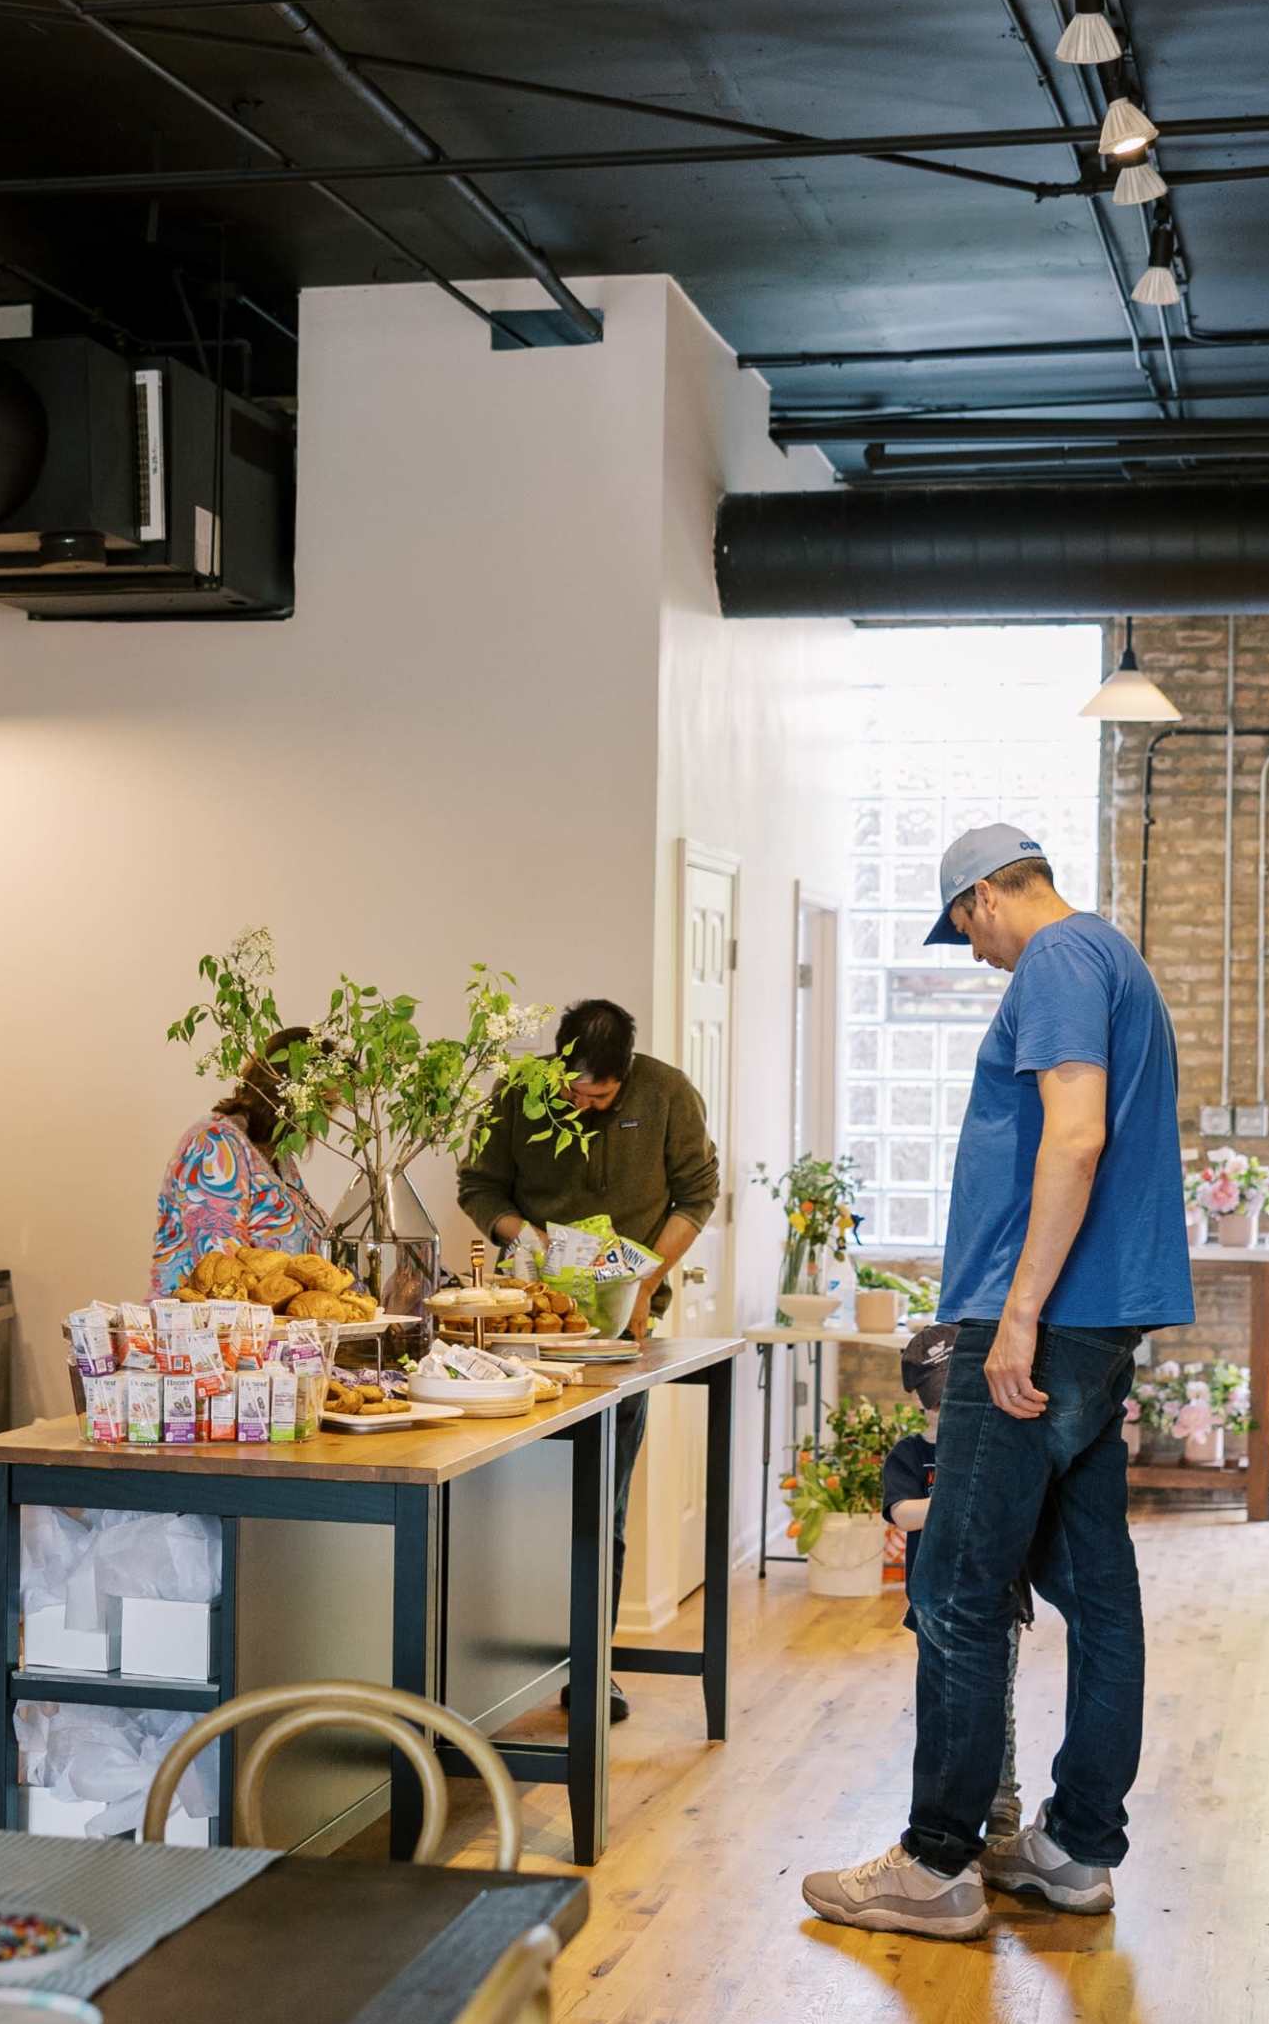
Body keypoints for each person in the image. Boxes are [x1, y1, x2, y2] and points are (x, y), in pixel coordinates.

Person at [804, 826, 1190, 1940]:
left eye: (964, 930)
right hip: (1096, 1321)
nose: (975, 957)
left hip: (1038, 1323)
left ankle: (935, 1865)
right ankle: (1072, 1851)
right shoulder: (1115, 959)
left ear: (982, 898)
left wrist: (1013, 1314)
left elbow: (1072, 1141)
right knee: (1097, 1594)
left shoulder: (1061, 962)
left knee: (959, 1593)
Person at [457, 998, 720, 1718]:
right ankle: (490, 1674)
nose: (583, 1102)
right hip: (527, 1328)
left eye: (599, 1095)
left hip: (621, 1336)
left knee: (601, 1501)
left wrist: (645, 1281)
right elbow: (478, 1186)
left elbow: (698, 1192)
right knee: (510, 1504)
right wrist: (529, 1241)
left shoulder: (667, 1095)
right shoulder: (519, 1091)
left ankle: (589, 1664)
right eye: (573, 1089)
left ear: (625, 1075)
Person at [880, 1322, 1039, 1863]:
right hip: (932, 1601)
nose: (950, 1415)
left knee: (999, 1700)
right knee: (947, 1701)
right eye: (939, 1404)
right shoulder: (910, 1456)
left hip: (1001, 1594)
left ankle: (1002, 1800)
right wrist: (959, 1497)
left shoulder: (998, 1449)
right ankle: (953, 1806)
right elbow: (903, 1514)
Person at [152, 1029, 326, 1292]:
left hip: (270, 1329)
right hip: (214, 1330)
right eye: (327, 1102)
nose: (329, 1118)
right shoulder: (214, 1145)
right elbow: (221, 1269)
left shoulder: (276, 1155)